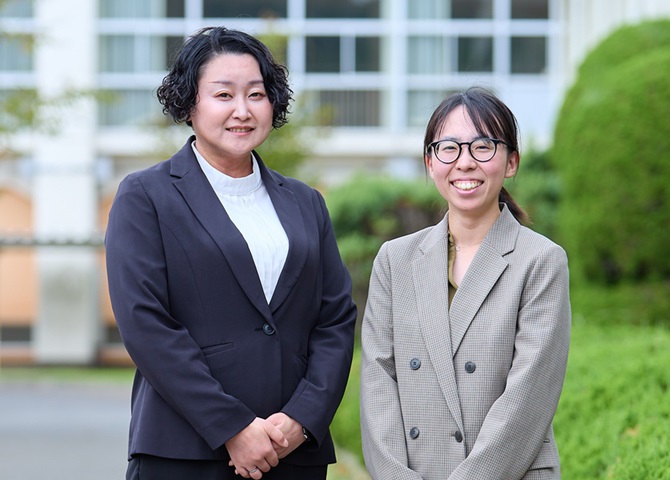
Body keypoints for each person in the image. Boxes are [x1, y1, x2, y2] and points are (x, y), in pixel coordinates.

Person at [105, 26, 357, 480]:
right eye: (223, 95)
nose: (242, 110)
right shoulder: (146, 196)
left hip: (291, 452)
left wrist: (302, 419)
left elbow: (334, 320)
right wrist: (232, 427)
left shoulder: (305, 202)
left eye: (256, 94)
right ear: (189, 103)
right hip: (184, 452)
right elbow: (146, 324)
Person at [360, 87, 571, 479]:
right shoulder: (394, 260)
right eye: (449, 148)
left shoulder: (541, 260)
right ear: (430, 162)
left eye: (483, 147)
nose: (465, 162)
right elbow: (378, 381)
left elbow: (529, 397)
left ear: (511, 162)